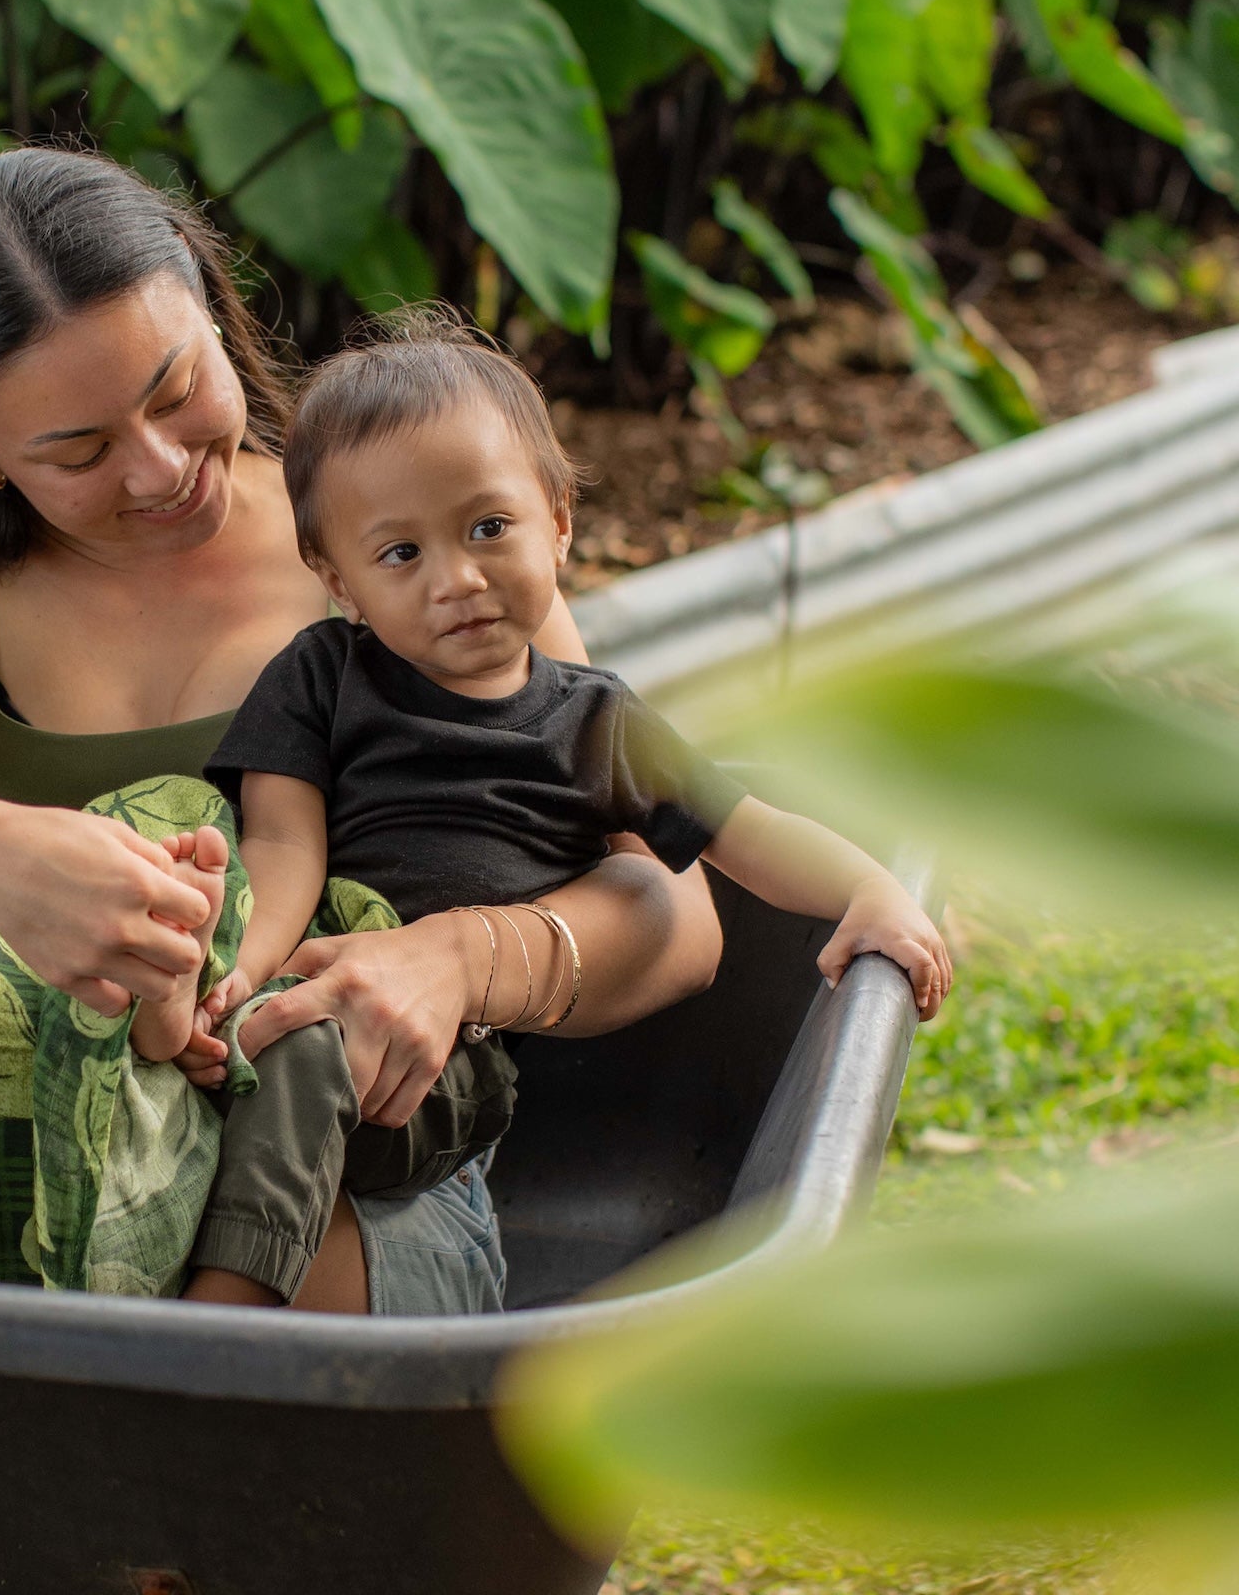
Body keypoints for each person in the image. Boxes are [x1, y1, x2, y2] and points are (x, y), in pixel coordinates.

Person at [0, 147, 730, 1313]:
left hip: (342, 1176)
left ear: (211, 303)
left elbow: (672, 912)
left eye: (177, 390)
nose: (162, 466)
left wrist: (457, 954)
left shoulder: (386, 545)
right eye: (76, 451)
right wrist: (1, 861)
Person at [130, 313, 953, 1308]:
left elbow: (744, 833)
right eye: (400, 554)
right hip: (311, 978)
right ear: (339, 582)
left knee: (305, 1054)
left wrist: (869, 887)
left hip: (440, 1070)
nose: (457, 579)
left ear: (557, 520)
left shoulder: (591, 720)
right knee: (241, 1042)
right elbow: (280, 844)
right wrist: (240, 980)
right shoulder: (318, 678)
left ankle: (227, 1311)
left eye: (487, 527)